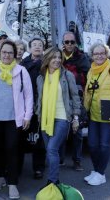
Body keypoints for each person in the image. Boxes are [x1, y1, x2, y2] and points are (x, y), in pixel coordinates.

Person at [0, 40, 33, 199]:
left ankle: (12, 183)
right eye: (4, 52)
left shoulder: (22, 71)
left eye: (10, 52)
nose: (7, 55)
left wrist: (27, 116)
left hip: (14, 119)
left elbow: (28, 95)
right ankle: (0, 177)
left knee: (12, 150)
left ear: (15, 54)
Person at [35, 47, 81, 185]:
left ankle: (52, 181)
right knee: (50, 153)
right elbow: (39, 99)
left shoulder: (67, 76)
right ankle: (54, 179)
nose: (57, 60)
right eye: (53, 57)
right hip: (45, 119)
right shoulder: (40, 78)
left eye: (59, 57)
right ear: (47, 59)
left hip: (62, 117)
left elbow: (75, 97)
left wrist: (76, 118)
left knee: (51, 149)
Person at [83, 42, 110, 186]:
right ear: (92, 56)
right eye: (96, 54)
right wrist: (85, 109)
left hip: (108, 113)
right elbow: (88, 93)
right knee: (92, 144)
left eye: (102, 53)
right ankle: (96, 171)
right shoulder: (91, 71)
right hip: (93, 114)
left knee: (104, 145)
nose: (99, 56)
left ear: (106, 54)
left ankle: (101, 174)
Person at [59, 31, 90, 171]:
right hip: (60, 97)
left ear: (75, 43)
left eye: (72, 42)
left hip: (77, 97)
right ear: (63, 43)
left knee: (77, 131)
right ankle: (60, 159)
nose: (69, 44)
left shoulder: (82, 57)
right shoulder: (58, 55)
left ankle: (77, 160)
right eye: (67, 42)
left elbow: (87, 76)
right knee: (61, 128)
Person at [19, 37, 46, 180]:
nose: (37, 47)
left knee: (40, 139)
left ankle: (39, 168)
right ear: (29, 48)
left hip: (42, 106)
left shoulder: (47, 63)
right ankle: (19, 168)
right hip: (25, 106)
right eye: (34, 45)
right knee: (23, 137)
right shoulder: (23, 64)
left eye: (40, 45)